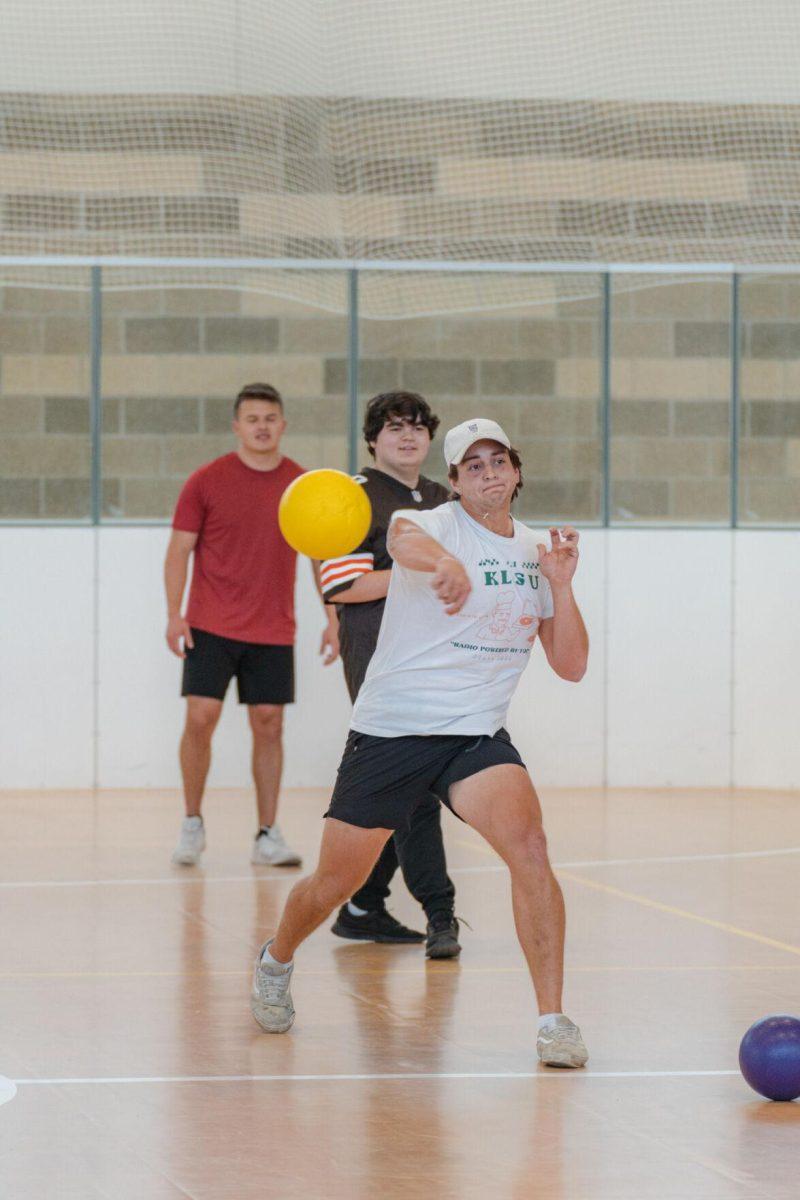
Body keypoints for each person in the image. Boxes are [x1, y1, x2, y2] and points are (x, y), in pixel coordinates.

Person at [249, 416, 591, 1069]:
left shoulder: (536, 553)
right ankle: (276, 959)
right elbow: (404, 542)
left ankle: (553, 1020)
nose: (489, 473)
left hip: (474, 737)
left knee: (531, 850)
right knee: (333, 879)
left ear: (516, 472)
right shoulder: (431, 522)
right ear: (456, 482)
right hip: (393, 730)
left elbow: (571, 665)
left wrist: (563, 586)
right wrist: (446, 565)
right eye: (474, 466)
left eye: (500, 461)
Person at [164, 381, 338, 868]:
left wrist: (332, 617)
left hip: (271, 629)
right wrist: (174, 614)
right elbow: (179, 550)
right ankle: (192, 823)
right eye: (252, 419)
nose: (261, 427)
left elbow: (320, 558)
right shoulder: (205, 481)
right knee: (200, 717)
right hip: (209, 626)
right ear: (237, 426)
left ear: (282, 425)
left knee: (269, 725)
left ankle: (267, 834)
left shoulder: (301, 485)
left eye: (270, 418)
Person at [320, 391, 460, 958]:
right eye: (394, 427)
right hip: (380, 659)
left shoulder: (442, 499)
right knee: (418, 783)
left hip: (440, 660)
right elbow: (343, 585)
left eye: (418, 427)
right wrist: (422, 571)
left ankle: (362, 904)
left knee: (393, 787)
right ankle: (440, 913)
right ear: (373, 438)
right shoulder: (352, 497)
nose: (408, 436)